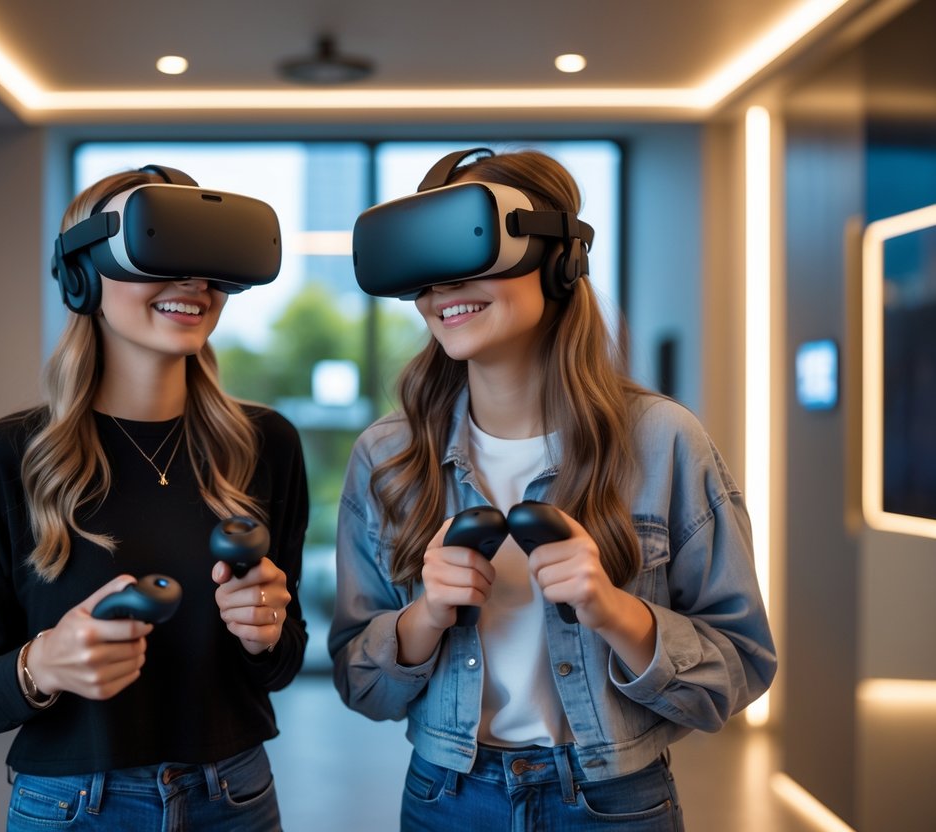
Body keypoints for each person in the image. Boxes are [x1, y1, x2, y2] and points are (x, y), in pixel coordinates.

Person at [329, 148, 776, 830]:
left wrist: (611, 610)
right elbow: (361, 682)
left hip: (614, 802)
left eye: (470, 248)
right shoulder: (387, 456)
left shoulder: (661, 442)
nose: (443, 287)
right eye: (423, 268)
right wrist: (423, 618)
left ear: (559, 259)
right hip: (443, 798)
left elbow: (737, 669)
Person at [0, 165, 308, 831]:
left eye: (203, 261)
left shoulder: (265, 444)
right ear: (81, 275)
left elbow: (281, 667)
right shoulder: (7, 456)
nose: (191, 282)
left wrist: (268, 631)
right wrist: (40, 664)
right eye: (156, 251)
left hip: (237, 797)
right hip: (71, 805)